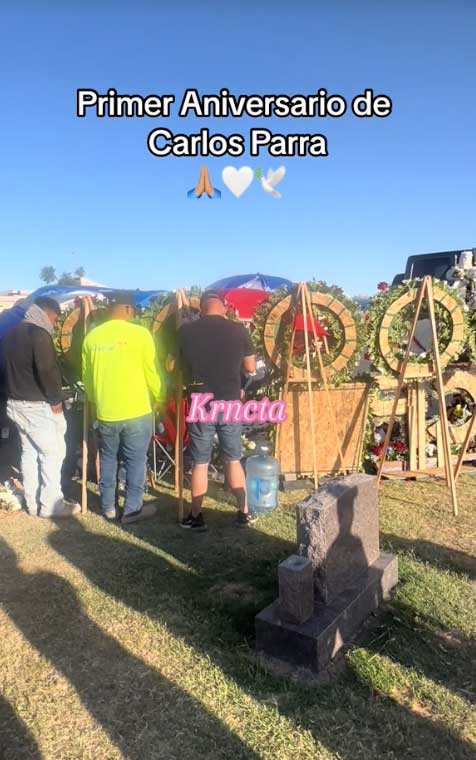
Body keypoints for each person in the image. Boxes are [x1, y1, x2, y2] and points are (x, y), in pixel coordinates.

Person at [178, 290, 257, 531]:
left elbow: (176, 366)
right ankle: (243, 512)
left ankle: (196, 516)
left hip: (201, 401)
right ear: (223, 306)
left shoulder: (185, 332)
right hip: (230, 401)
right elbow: (251, 367)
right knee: (233, 459)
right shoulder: (239, 330)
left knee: (200, 462)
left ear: (201, 308)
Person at [82, 291, 163, 524]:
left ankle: (108, 507)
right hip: (137, 410)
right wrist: (159, 395)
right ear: (129, 309)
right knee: (136, 460)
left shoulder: (92, 338)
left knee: (107, 458)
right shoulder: (140, 334)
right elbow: (152, 371)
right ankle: (131, 509)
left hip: (106, 411)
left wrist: (95, 400)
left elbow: (87, 379)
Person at [2, 296, 80, 518]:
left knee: (29, 453)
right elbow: (47, 370)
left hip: (14, 403)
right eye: (55, 320)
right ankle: (51, 505)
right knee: (52, 454)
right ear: (48, 314)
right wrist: (56, 399)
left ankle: (33, 503)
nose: (54, 325)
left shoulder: (9, 335)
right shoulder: (39, 334)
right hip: (36, 405)